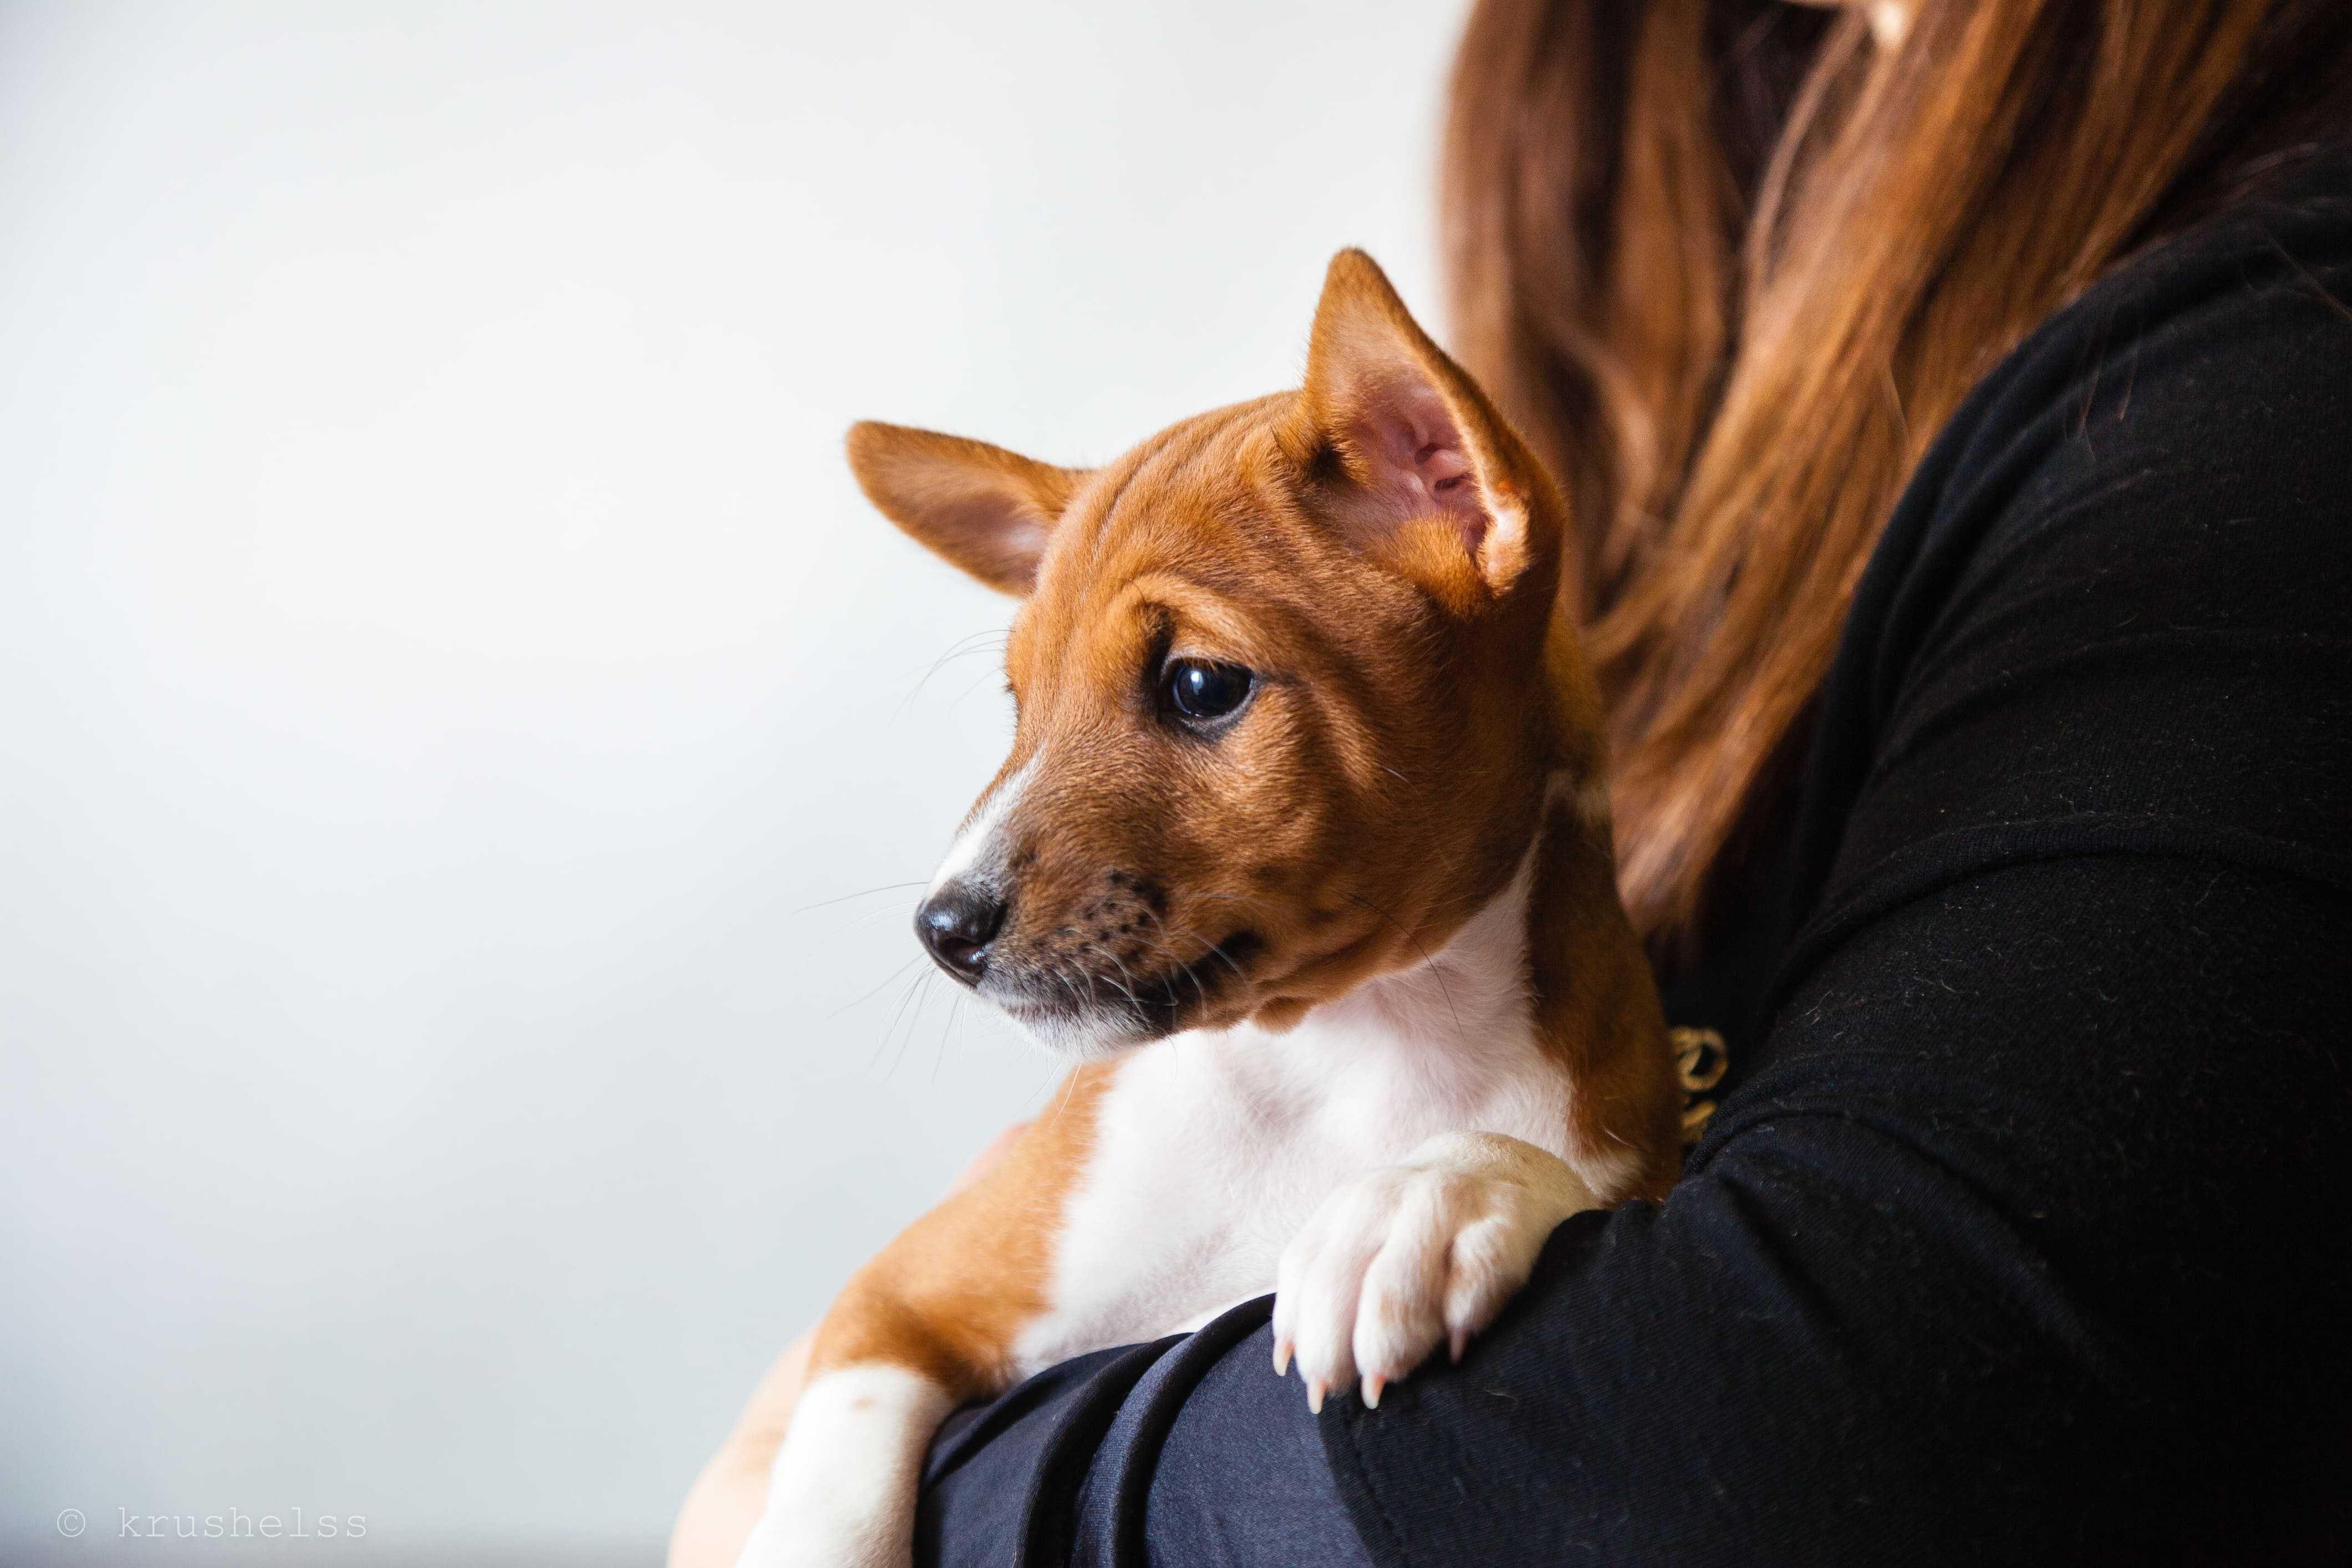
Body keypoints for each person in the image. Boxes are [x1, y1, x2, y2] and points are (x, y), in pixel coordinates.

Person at [674, 2, 2352, 1561]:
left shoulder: (2249, 359)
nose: (983, 868)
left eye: (1195, 691)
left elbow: (1782, 1409)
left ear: (1452, 489)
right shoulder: (1621, 112)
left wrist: (984, 1504)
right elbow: (893, 1335)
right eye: (1037, 707)